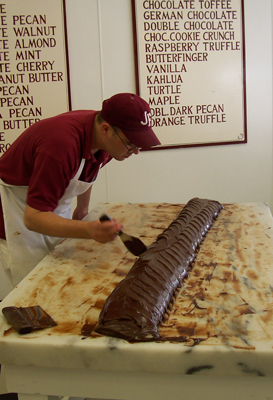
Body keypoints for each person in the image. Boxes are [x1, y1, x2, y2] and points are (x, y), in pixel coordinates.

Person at [0, 93, 160, 289]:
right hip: (17, 211)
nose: (135, 151)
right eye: (131, 143)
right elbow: (33, 218)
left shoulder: (103, 139)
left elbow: (89, 167)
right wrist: (88, 230)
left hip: (50, 204)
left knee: (59, 271)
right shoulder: (60, 147)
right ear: (106, 129)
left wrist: (82, 209)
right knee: (32, 286)